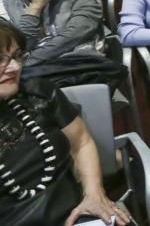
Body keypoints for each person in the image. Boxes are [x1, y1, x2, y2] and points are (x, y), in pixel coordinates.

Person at [0, 20, 134, 226]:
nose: (15, 67)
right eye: (1, 59)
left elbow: (81, 143)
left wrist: (94, 194)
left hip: (76, 214)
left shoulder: (38, 92)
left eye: (18, 56)